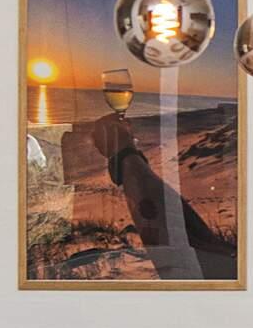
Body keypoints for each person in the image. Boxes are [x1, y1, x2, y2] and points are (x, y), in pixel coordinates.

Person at [77, 108, 238, 281]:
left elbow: (174, 247)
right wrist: (126, 152)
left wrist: (123, 152)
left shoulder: (207, 278)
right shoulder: (234, 268)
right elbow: (198, 240)